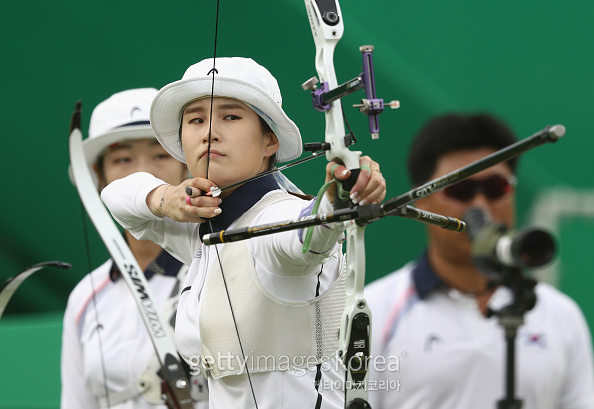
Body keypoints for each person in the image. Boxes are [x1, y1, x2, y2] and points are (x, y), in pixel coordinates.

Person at [100, 57, 386, 409]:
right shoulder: (199, 224)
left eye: (231, 116)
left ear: (270, 142)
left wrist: (338, 195)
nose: (209, 132)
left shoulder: (277, 215)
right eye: (195, 120)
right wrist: (165, 198)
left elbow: (305, 234)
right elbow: (115, 195)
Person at [365, 113, 594, 409]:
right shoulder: (373, 313)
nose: (480, 206)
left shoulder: (561, 316)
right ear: (421, 200)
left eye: (496, 188)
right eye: (460, 189)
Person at [61, 88, 207, 409]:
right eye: (123, 159)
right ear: (98, 177)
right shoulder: (85, 296)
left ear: (185, 167)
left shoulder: (217, 267)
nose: (143, 173)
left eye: (160, 155)